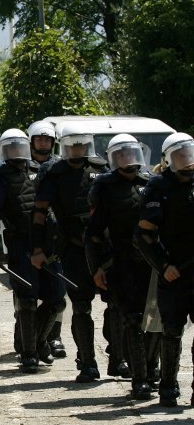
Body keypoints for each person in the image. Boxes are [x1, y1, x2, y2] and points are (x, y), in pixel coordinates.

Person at [0, 129, 65, 373]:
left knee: (57, 299)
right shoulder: (0, 175)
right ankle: (28, 353)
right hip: (20, 243)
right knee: (27, 299)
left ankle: (38, 341)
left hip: (49, 244)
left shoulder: (49, 169)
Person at [32, 122, 109, 383]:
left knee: (121, 305)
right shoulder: (53, 172)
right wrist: (38, 248)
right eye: (72, 143)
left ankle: (121, 357)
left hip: (105, 247)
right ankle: (87, 362)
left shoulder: (101, 169)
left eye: (81, 143)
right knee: (81, 306)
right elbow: (40, 213)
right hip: (73, 248)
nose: (78, 148)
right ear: (65, 145)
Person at [86, 134, 153, 400]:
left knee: (158, 323)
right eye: (122, 155)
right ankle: (140, 379)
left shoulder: (150, 185)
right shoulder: (105, 187)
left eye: (131, 153)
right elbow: (93, 233)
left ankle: (152, 369)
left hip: (151, 264)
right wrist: (97, 267)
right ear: (114, 159)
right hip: (121, 263)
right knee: (133, 320)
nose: (128, 159)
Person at [136, 132, 194, 407]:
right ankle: (168, 385)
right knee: (172, 329)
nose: (187, 160)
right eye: (180, 155)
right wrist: (163, 265)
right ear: (170, 159)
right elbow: (144, 235)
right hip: (175, 270)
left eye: (190, 153)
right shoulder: (159, 186)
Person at [25, 120, 67, 360]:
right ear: (31, 141)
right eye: (39, 139)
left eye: (47, 139)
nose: (43, 143)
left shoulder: (59, 167)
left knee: (58, 294)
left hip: (53, 237)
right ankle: (28, 341)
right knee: (26, 297)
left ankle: (54, 337)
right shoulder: (19, 165)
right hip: (26, 234)